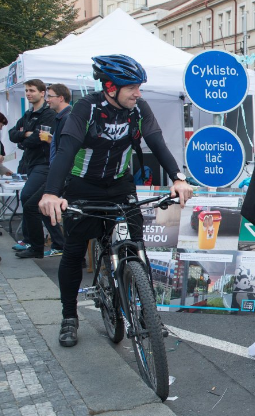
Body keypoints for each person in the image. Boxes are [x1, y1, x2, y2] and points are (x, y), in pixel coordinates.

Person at [39, 54, 193, 348]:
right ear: (111, 87)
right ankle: (69, 317)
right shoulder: (87, 107)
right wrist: (52, 192)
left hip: (121, 185)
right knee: (72, 253)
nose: (138, 93)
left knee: (135, 249)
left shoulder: (138, 109)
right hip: (84, 187)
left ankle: (148, 314)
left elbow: (156, 140)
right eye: (132, 87)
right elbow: (67, 148)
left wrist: (178, 177)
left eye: (139, 87)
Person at [17, 83, 71, 259]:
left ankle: (39, 246)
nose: (48, 99)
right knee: (36, 204)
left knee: (31, 203)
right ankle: (52, 244)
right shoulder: (56, 117)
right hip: (47, 167)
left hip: (56, 171)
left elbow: (67, 147)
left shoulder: (64, 117)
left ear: (60, 98)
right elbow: (15, 136)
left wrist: (41, 139)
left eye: (50, 96)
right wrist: (26, 135)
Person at [8, 79, 57, 252]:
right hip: (31, 163)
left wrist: (25, 136)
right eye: (27, 91)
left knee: (29, 199)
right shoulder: (28, 114)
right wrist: (25, 135)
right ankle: (57, 241)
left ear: (42, 93)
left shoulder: (48, 114)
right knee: (34, 202)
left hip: (44, 164)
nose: (28, 94)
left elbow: (38, 138)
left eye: (32, 91)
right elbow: (12, 134)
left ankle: (33, 241)